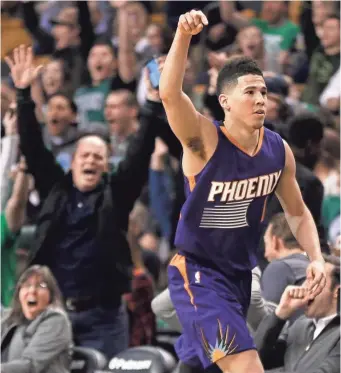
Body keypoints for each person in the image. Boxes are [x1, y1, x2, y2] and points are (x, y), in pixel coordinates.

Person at [159, 10, 326, 373]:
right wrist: (183, 36)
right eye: (249, 92)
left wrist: (315, 257)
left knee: (196, 367)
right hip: (200, 275)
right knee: (248, 366)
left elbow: (297, 213)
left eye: (264, 91)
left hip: (240, 276)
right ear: (225, 102)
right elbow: (170, 95)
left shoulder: (277, 150)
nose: (261, 99)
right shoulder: (205, 140)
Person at [5, 45, 170, 360]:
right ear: (72, 162)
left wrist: (150, 103)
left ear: (107, 166)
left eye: (99, 157)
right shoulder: (55, 187)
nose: (91, 160)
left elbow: (139, 154)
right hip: (53, 315)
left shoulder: (116, 194)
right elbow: (32, 145)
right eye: (85, 155)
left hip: (104, 319)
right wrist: (24, 93)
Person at [255, 255, 340, 373]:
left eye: (315, 279)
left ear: (336, 291)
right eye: (307, 279)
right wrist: (280, 314)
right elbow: (256, 360)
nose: (306, 286)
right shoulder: (300, 325)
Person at [1, 265, 72, 373]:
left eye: (41, 286)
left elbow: (31, 366)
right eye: (27, 285)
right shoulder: (9, 318)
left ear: (51, 294)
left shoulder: (56, 320)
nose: (32, 291)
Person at [262, 213, 309, 305]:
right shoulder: (320, 265)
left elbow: (267, 316)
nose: (265, 254)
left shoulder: (278, 268)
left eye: (266, 243)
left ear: (275, 241)